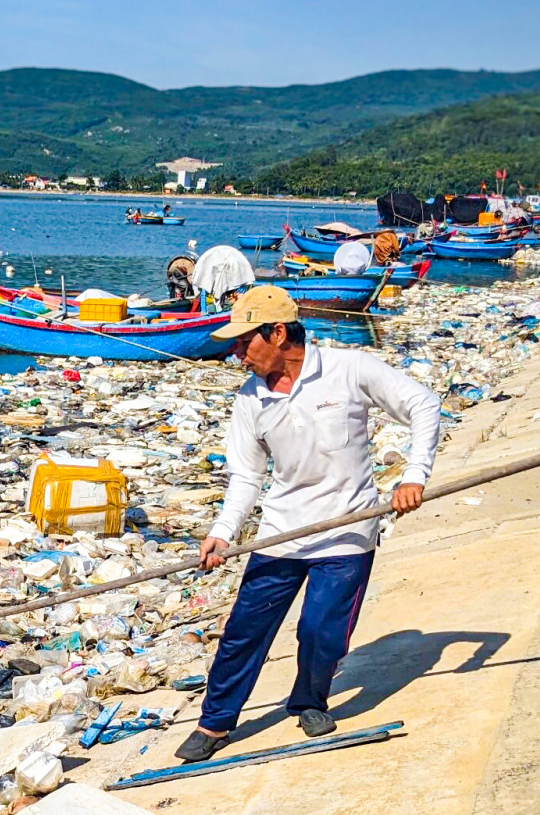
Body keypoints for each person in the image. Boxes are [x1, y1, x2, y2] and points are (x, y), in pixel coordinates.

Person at [175, 285, 441, 762]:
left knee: (321, 631)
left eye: (244, 342)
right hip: (282, 531)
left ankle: (309, 699)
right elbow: (246, 476)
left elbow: (422, 404)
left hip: (348, 528)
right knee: (244, 631)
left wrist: (413, 476)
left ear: (278, 333)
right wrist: (222, 533)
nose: (237, 353)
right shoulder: (250, 398)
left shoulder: (348, 369)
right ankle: (215, 723)